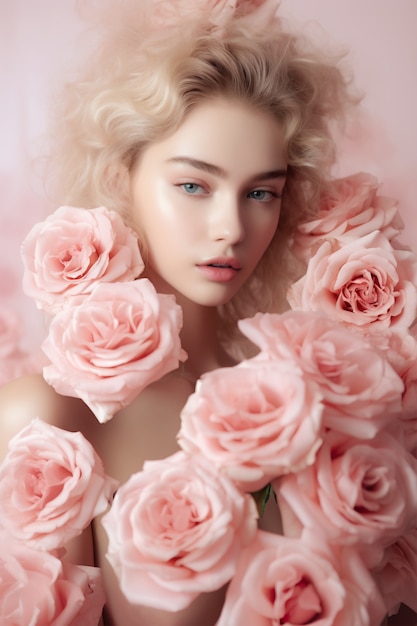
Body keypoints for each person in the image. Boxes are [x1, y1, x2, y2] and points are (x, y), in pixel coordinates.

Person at [1, 1, 409, 624]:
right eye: (194, 185)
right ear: (121, 178)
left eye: (260, 193)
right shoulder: (51, 424)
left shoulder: (313, 399)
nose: (230, 228)